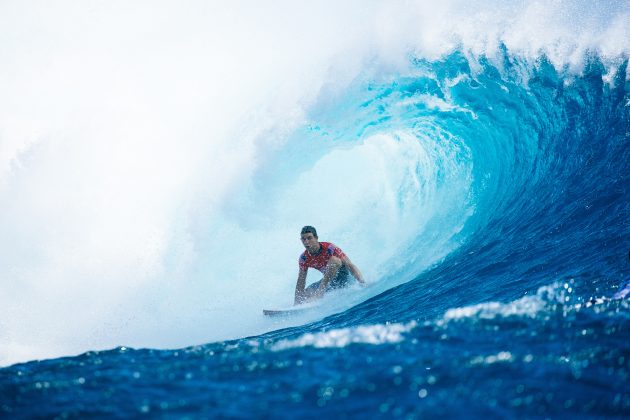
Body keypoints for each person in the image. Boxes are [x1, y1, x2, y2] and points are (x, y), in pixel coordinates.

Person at [294, 226, 365, 305]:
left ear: (316, 238)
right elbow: (301, 281)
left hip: (344, 279)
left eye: (309, 238)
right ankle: (301, 304)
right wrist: (296, 304)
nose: (306, 242)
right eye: (303, 239)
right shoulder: (304, 258)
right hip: (330, 282)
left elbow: (350, 265)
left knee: (334, 260)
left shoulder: (329, 248)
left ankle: (319, 294)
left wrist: (362, 282)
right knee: (305, 293)